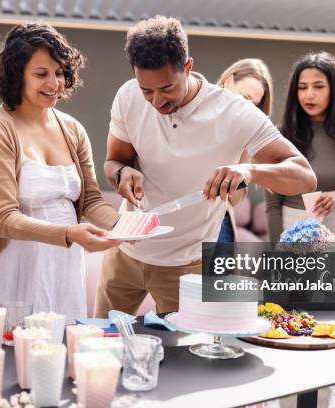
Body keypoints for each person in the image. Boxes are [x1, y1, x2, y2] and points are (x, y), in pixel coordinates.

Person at [94, 16, 317, 317]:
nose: (156, 101)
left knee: (185, 358)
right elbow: (113, 161)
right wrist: (121, 173)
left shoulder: (235, 112)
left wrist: (249, 171)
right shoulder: (128, 96)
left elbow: (305, 176)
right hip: (124, 256)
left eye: (166, 88)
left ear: (187, 67)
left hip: (187, 268)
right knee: (100, 345)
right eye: (147, 90)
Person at [0, 24, 121, 322]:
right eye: (41, 74)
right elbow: (3, 219)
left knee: (53, 357)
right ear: (17, 75)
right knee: (2, 360)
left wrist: (127, 227)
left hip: (60, 266)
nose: (54, 83)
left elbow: (91, 200)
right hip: (6, 267)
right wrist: (69, 233)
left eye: (59, 72)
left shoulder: (72, 129)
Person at [266, 51, 335, 242]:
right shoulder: (280, 135)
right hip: (291, 232)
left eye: (319, 86)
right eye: (302, 87)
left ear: (334, 89)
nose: (309, 95)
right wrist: (276, 253)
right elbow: (273, 206)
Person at [216, 58, 274, 243]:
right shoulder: (192, 114)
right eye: (245, 97)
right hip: (183, 222)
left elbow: (234, 199)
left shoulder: (245, 135)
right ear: (228, 81)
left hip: (219, 225)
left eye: (254, 104)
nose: (247, 108)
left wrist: (244, 156)